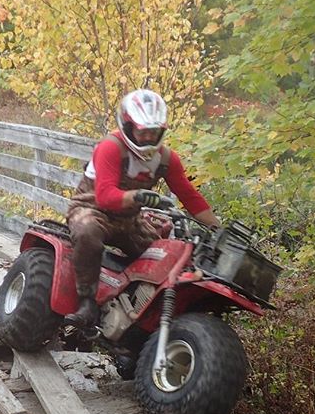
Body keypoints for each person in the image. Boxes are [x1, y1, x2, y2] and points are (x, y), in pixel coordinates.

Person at [65, 89, 219, 327]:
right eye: (143, 130)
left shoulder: (167, 159)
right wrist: (139, 196)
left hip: (130, 220)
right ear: (128, 127)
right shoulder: (110, 147)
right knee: (87, 233)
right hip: (91, 209)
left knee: (165, 255)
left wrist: (218, 230)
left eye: (153, 131)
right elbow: (105, 196)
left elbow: (190, 196)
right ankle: (86, 301)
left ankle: (138, 318)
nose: (148, 137)